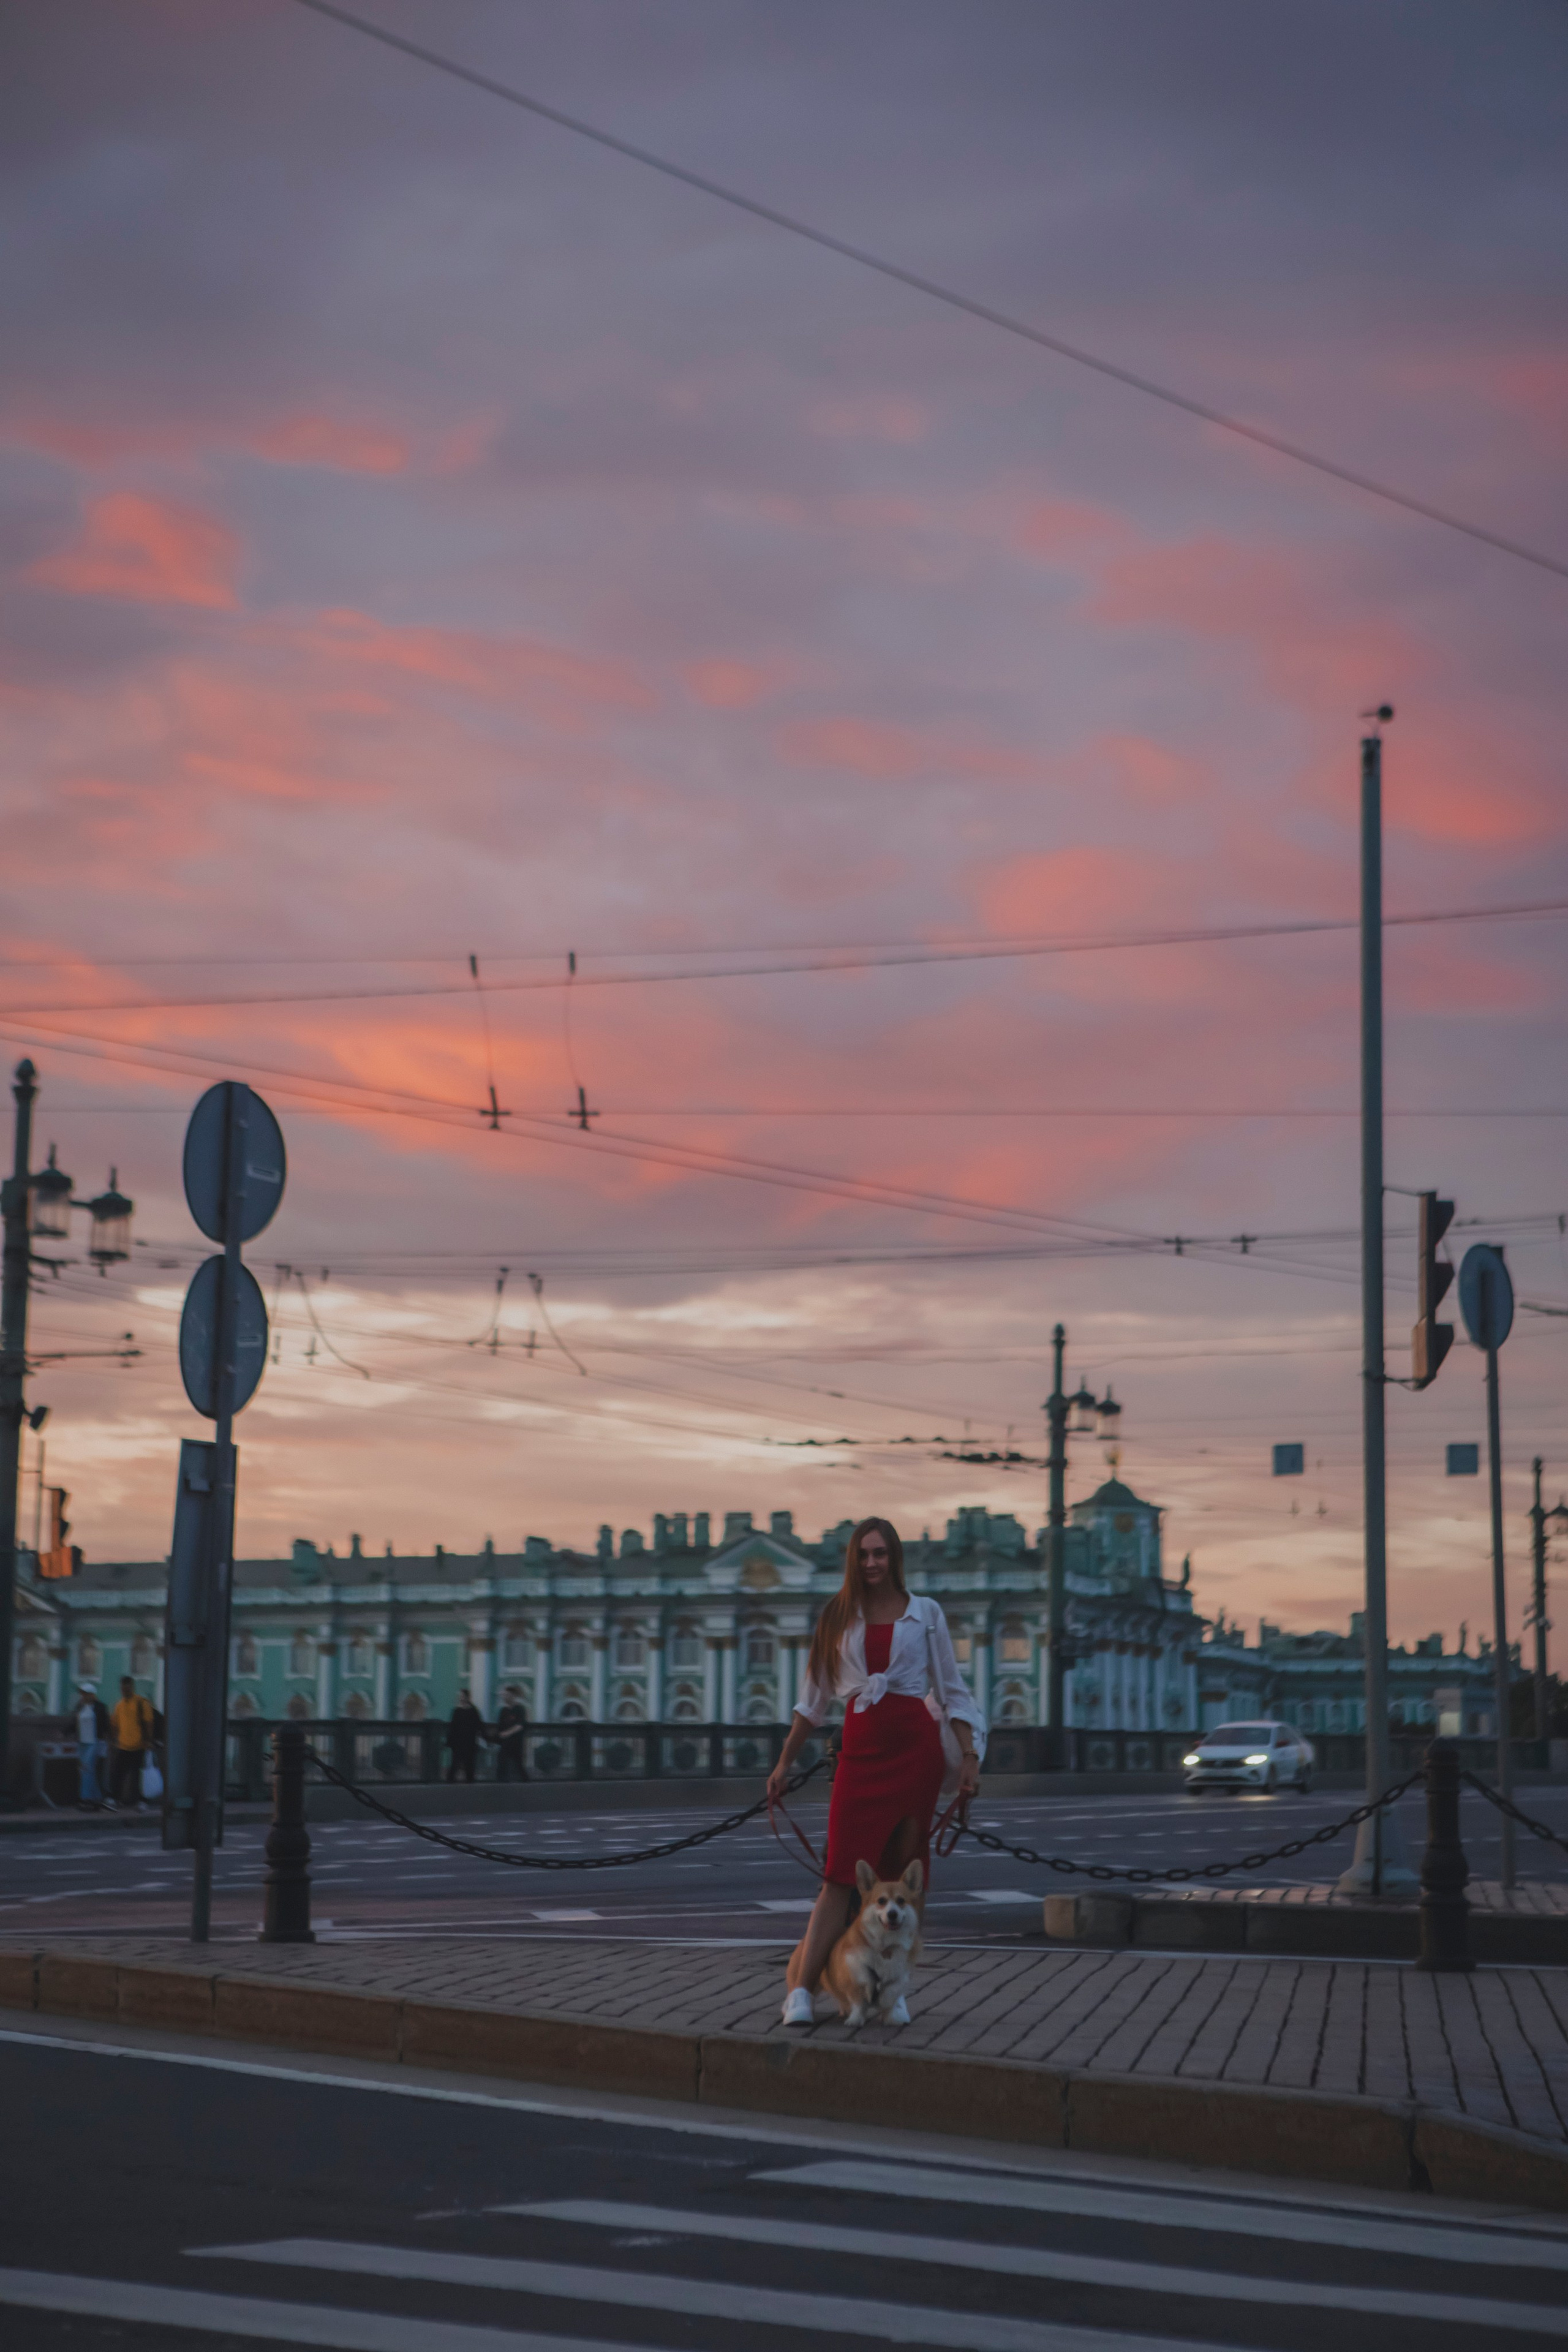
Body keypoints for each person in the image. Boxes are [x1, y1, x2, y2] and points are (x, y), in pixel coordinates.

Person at [766, 1517, 984, 2027]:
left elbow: (953, 1691)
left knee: (909, 1876)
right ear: (852, 1559)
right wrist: (782, 1764)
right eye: (863, 1554)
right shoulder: (837, 1617)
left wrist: (968, 1757)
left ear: (895, 1557)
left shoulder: (926, 1614)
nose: (871, 1563)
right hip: (861, 1755)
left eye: (881, 1553)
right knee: (839, 1876)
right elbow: (812, 1703)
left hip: (915, 1754)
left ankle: (896, 1992)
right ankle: (799, 1991)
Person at [108, 1676, 154, 1811]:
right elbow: (114, 1724)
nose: (125, 1691)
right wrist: (113, 1740)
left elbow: (149, 1723)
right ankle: (115, 1799)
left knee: (140, 1776)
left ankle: (142, 1801)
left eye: (127, 1689)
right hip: (123, 1746)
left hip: (140, 1746)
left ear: (132, 1688)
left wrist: (149, 1741)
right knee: (118, 1773)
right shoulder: (119, 1705)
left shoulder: (141, 1703)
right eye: (123, 1689)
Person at [75, 1684, 109, 1807]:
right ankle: (96, 1797)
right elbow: (75, 1722)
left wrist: (107, 1738)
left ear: (92, 1695)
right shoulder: (80, 1706)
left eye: (85, 1693)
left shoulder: (100, 1707)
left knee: (87, 1768)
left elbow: (105, 1724)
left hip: (94, 1742)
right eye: (82, 1693)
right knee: (88, 1770)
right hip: (82, 1742)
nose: (83, 1696)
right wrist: (63, 1732)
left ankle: (85, 1797)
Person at [445, 1687, 483, 1783]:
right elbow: (453, 1727)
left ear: (466, 1697)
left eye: (462, 1696)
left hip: (468, 1743)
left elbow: (479, 1726)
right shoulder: (458, 1711)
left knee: (468, 1766)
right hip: (459, 1743)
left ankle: (468, 1783)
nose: (460, 1698)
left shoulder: (471, 1711)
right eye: (460, 1697)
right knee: (455, 1765)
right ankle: (451, 1783)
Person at [494, 1684, 529, 1781]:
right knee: (502, 1763)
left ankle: (526, 1783)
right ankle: (500, 1784)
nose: (504, 1697)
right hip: (505, 1743)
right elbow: (500, 1726)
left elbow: (520, 1725)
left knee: (518, 1765)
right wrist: (499, 1735)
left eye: (507, 1695)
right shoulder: (503, 1711)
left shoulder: (520, 1709)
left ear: (513, 1696)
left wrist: (507, 1733)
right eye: (504, 1695)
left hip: (516, 1743)